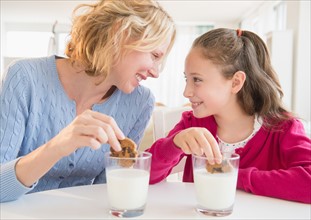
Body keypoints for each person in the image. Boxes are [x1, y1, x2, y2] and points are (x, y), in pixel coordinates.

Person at [0, 0, 176, 202]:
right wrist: (58, 146)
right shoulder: (23, 78)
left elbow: (108, 192)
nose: (155, 72)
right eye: (154, 55)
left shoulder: (140, 102)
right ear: (120, 34)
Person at [147, 28, 311, 204]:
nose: (186, 92)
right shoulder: (192, 124)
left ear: (235, 82)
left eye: (197, 80)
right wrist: (174, 144)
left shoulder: (284, 128)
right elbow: (144, 175)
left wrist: (232, 175)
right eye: (187, 79)